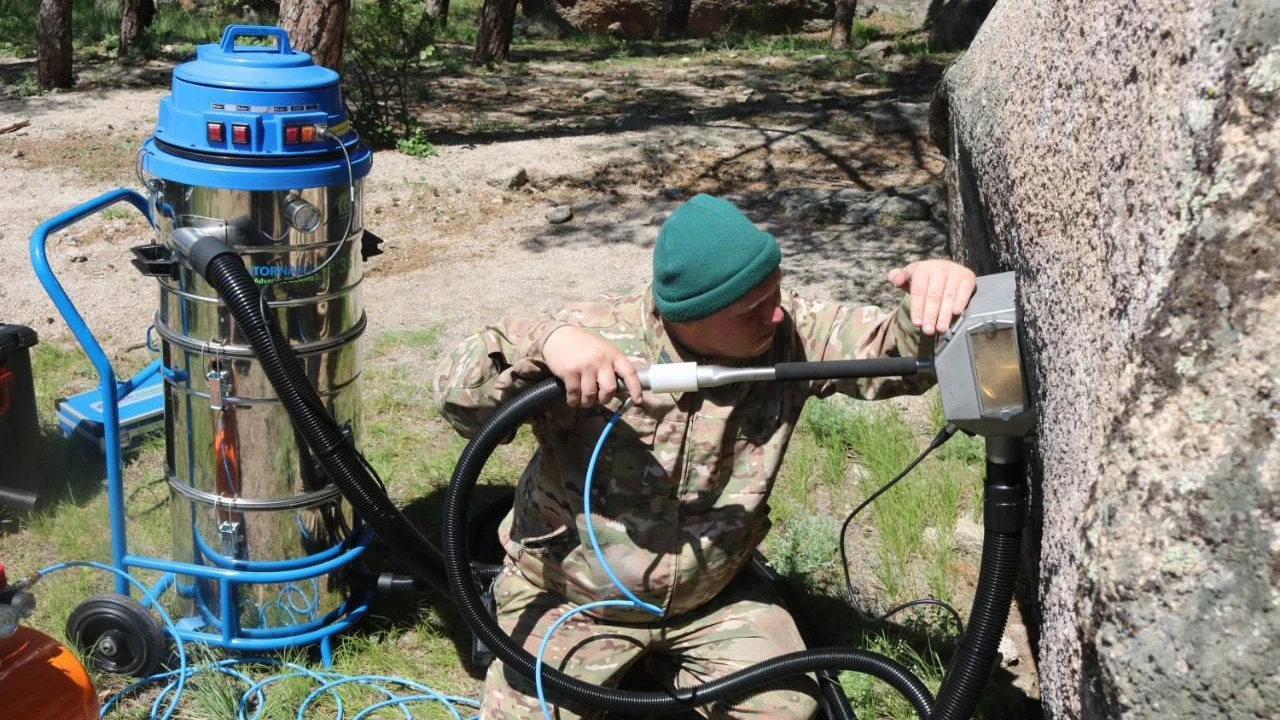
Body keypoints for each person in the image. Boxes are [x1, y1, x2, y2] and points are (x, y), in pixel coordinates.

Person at [432, 193, 976, 720]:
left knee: (787, 709)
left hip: (713, 599)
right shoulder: (593, 340)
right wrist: (544, 341)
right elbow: (456, 397)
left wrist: (933, 296)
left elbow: (893, 355)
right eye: (752, 310)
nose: (776, 314)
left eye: (776, 291)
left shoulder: (788, 334)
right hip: (572, 600)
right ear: (688, 317)